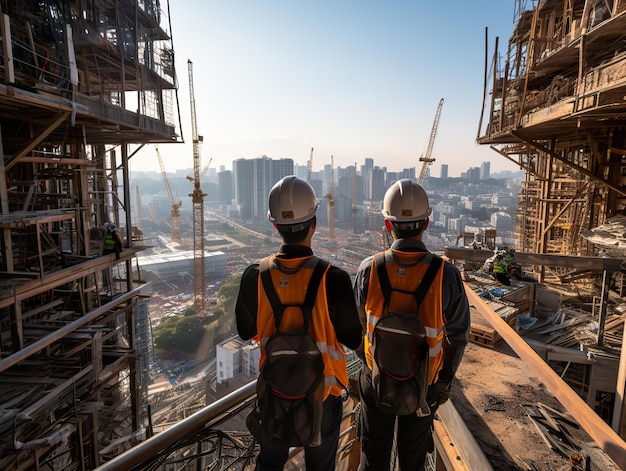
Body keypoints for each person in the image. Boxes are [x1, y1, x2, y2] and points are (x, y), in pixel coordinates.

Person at [235, 175, 362, 471]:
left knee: (269, 464)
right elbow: (354, 339)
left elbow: (245, 331)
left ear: (275, 226)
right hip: (324, 397)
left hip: (275, 391)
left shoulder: (255, 276)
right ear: (314, 223)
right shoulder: (335, 279)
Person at [354, 179, 470, 471]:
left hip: (376, 378)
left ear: (386, 223)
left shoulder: (369, 269)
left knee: (373, 456)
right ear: (427, 222)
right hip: (424, 385)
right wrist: (443, 381)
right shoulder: (447, 275)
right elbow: (458, 336)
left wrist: (369, 363)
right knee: (413, 460)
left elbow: (356, 329)